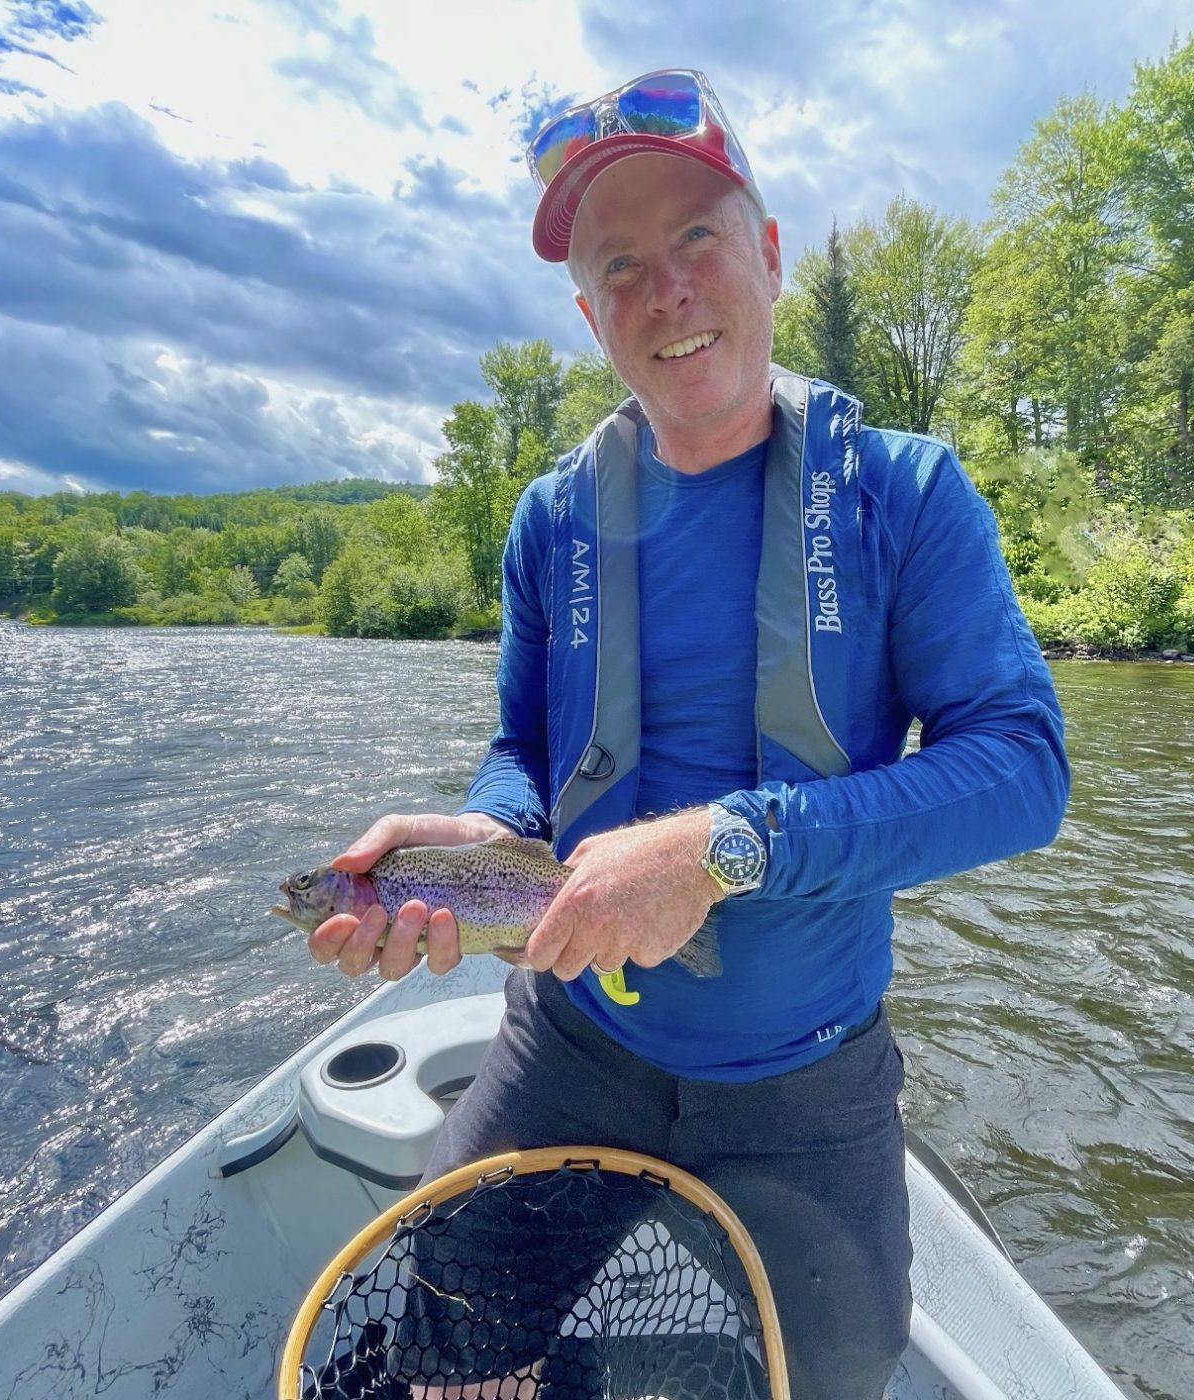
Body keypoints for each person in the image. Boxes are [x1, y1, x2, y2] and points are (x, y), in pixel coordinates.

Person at [306, 68, 1070, 1400]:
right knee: (445, 1360)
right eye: (621, 267)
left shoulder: (906, 495)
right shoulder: (552, 521)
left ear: (767, 255)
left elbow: (1023, 773)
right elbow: (526, 761)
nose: (666, 291)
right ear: (589, 311)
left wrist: (728, 844)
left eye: (696, 241)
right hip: (569, 1046)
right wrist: (482, 837)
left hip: (809, 1081)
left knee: (825, 1381)